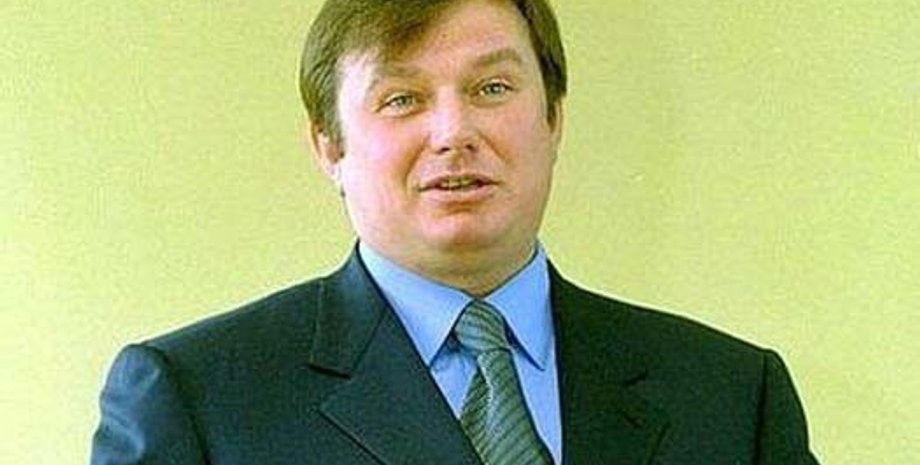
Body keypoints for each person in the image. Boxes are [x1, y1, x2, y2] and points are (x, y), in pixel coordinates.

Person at [90, 0, 821, 463]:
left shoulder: (731, 396)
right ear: (330, 146)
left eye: (492, 88)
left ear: (553, 118)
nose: (453, 132)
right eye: (402, 98)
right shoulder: (199, 399)